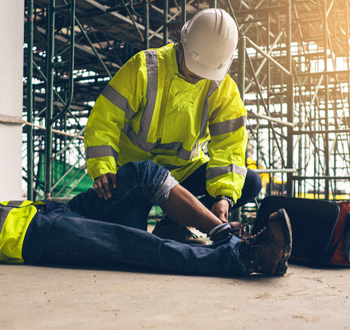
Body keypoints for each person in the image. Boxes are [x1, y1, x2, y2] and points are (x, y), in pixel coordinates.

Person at [0, 161, 292, 276]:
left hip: (50, 212)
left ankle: (222, 233)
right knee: (140, 250)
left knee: (140, 177)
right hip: (41, 239)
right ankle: (244, 257)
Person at [84, 8, 263, 243]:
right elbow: (104, 119)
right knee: (132, 238)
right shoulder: (145, 68)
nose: (199, 77)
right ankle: (161, 221)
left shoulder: (223, 90)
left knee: (251, 182)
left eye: (206, 73)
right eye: (194, 70)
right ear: (182, 43)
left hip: (183, 172)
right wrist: (103, 168)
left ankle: (174, 224)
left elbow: (230, 147)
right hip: (137, 176)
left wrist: (224, 197)